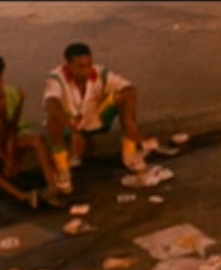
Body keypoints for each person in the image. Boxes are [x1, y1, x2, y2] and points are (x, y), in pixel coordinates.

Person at [42, 42, 150, 193]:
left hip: (95, 119)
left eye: (88, 65)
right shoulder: (57, 78)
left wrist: (128, 121)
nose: (86, 71)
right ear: (68, 66)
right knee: (52, 119)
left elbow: (129, 89)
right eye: (80, 67)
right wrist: (71, 130)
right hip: (71, 124)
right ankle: (63, 171)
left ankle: (130, 154)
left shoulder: (100, 73)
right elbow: (50, 103)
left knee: (122, 96)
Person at [0, 52, 63, 209]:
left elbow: (12, 128)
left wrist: (11, 158)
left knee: (38, 140)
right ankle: (21, 196)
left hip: (11, 133)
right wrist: (5, 160)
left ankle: (53, 187)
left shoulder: (16, 95)